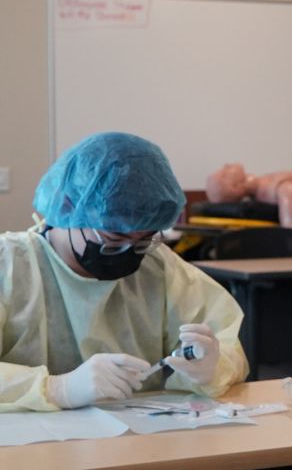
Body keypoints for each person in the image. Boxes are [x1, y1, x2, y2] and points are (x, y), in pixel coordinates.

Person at [0, 132, 249, 412]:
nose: (129, 251)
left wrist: (211, 368)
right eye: (115, 239)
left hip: (137, 444)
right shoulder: (9, 266)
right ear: (68, 206)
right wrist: (57, 389)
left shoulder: (159, 267)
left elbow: (224, 338)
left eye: (144, 239)